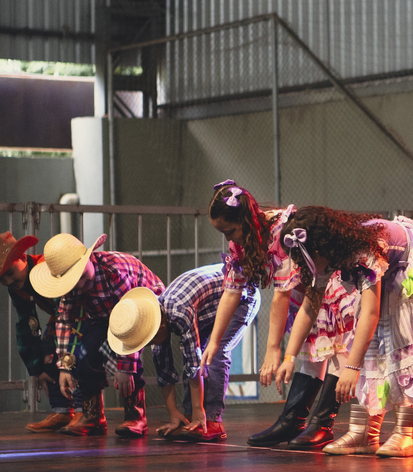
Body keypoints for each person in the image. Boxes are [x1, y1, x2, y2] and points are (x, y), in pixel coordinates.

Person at [273, 207, 413, 456]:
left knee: (407, 345)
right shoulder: (328, 256)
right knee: (373, 346)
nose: (303, 265)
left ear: (320, 248)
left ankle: (406, 433)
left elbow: (370, 313)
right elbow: (310, 306)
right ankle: (365, 433)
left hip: (409, 268)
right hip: (384, 273)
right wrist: (289, 357)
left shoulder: (363, 249)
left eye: (305, 258)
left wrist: (351, 367)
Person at [201, 181, 330, 448]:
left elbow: (281, 294)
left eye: (230, 231)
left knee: (333, 347)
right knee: (313, 348)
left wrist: (273, 349)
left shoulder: (280, 231)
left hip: (328, 283)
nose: (228, 238)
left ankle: (322, 423)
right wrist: (214, 341)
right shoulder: (241, 243)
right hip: (306, 291)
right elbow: (231, 292)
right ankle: (294, 420)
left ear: (244, 220)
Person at [105, 263, 260, 443]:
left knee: (215, 354)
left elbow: (193, 364)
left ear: (160, 326)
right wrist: (173, 413)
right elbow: (164, 370)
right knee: (197, 356)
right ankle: (189, 417)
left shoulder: (179, 312)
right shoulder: (152, 320)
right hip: (209, 308)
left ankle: (212, 420)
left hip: (240, 297)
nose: (148, 345)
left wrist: (199, 410)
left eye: (149, 340)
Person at [29, 233, 164, 438]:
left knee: (129, 367)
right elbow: (65, 321)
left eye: (82, 275)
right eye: (74, 281)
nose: (81, 284)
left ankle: (135, 416)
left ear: (90, 258)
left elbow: (132, 322)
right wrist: (65, 366)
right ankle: (93, 416)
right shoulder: (73, 288)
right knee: (84, 353)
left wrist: (125, 366)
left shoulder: (115, 272)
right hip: (105, 316)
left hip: (141, 310)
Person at [0, 232, 104, 434]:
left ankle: (83, 409)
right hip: (61, 317)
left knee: (74, 350)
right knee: (48, 344)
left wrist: (64, 352)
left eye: (10, 272)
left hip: (85, 313)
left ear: (23, 257)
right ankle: (62, 410)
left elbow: (69, 313)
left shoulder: (46, 269)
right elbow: (26, 323)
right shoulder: (17, 287)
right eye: (1, 279)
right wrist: (36, 368)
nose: (8, 281)